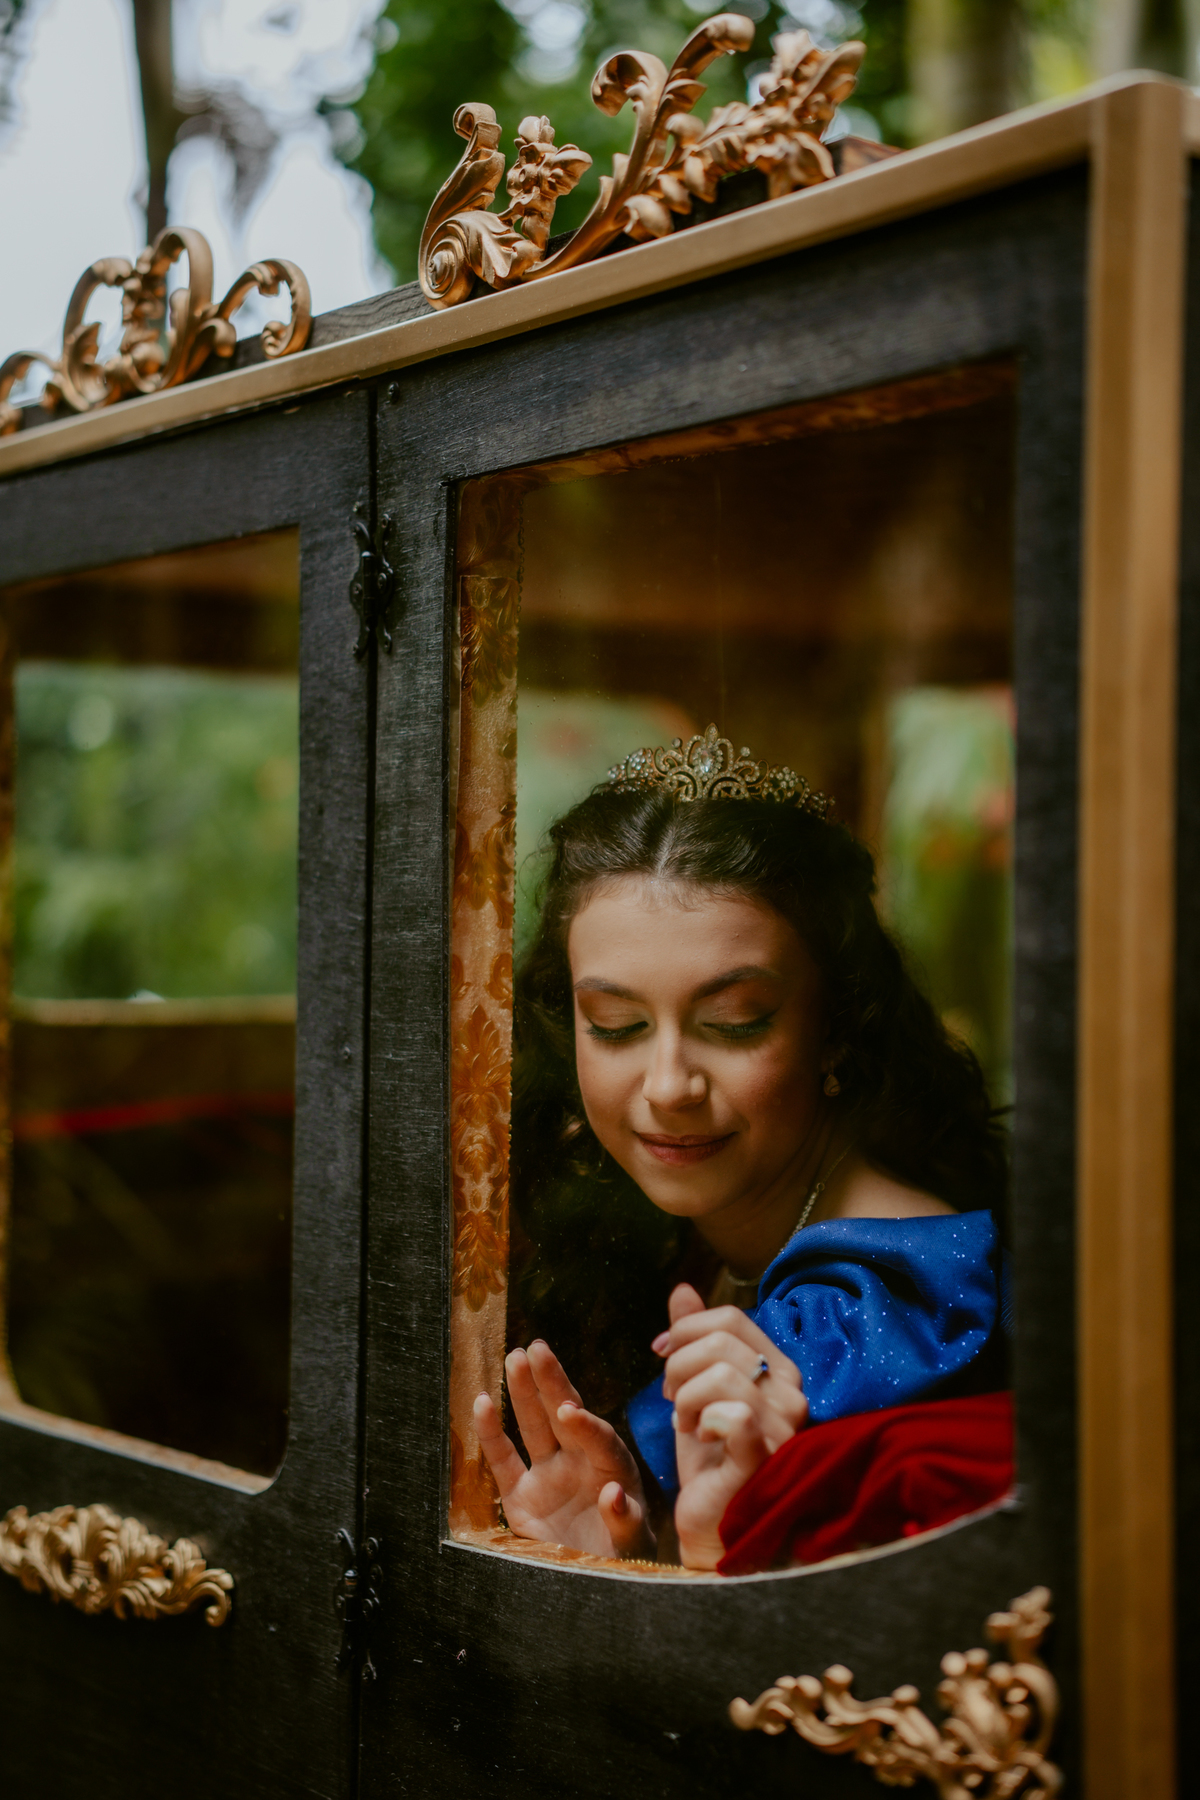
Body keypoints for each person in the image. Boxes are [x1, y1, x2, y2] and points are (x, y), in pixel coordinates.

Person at [474, 727, 1012, 1571]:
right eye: (616, 1027)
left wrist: (694, 1543)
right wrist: (623, 1541)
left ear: (834, 1026)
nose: (668, 1085)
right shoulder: (685, 1213)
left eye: (733, 1023)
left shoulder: (891, 1309)